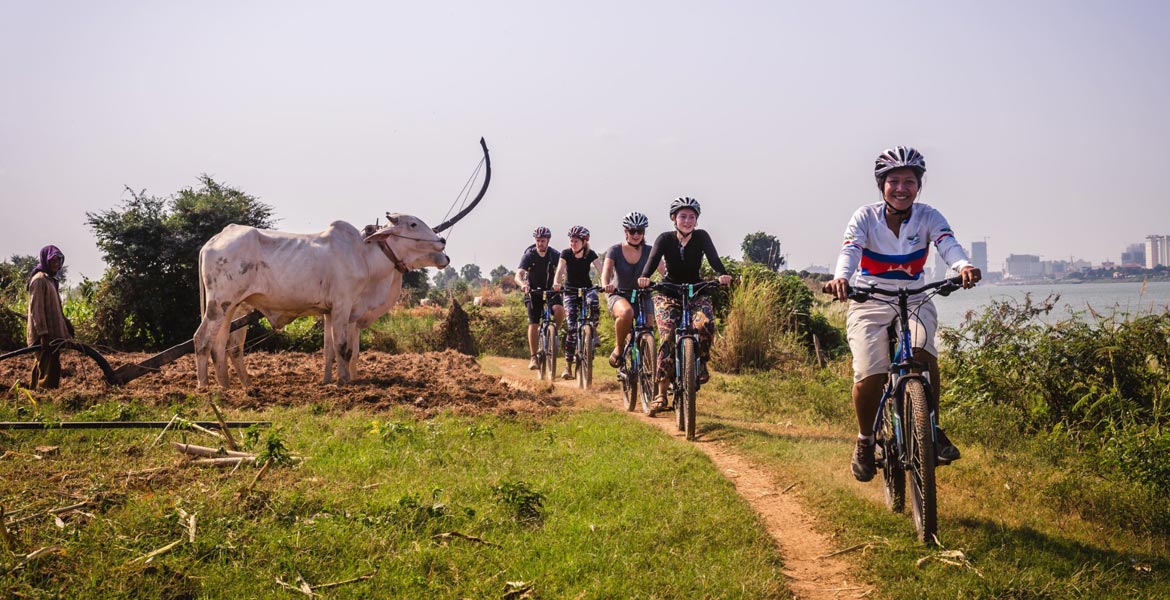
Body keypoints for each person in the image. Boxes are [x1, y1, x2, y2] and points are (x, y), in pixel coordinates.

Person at [824, 146, 981, 483]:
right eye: (893, 181)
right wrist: (842, 278)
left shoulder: (929, 216)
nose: (901, 188)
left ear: (918, 185)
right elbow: (850, 249)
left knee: (924, 353)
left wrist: (963, 265)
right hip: (870, 298)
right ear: (881, 185)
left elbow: (947, 242)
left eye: (909, 181)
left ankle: (933, 428)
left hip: (915, 296)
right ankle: (866, 441)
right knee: (870, 373)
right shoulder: (864, 217)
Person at [637, 197, 732, 415]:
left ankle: (701, 362)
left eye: (692, 217)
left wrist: (722, 274)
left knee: (706, 324)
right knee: (668, 335)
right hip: (668, 293)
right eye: (683, 216)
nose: (687, 221)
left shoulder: (701, 237)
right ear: (674, 219)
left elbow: (714, 259)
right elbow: (651, 262)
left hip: (696, 291)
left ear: (697, 220)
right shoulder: (664, 239)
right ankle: (661, 393)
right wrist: (643, 277)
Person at [601, 212, 659, 367]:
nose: (636, 234)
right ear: (625, 231)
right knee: (627, 313)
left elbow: (664, 270)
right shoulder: (615, 250)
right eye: (632, 231)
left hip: (643, 295)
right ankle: (619, 348)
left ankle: (648, 370)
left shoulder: (650, 251)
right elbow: (606, 272)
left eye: (639, 231)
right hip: (619, 294)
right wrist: (606, 284)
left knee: (648, 327)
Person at [552, 225, 602, 380]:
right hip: (570, 290)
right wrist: (556, 282)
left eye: (575, 241)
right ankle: (568, 366)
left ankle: (593, 330)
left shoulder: (590, 254)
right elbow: (560, 270)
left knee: (593, 302)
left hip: (587, 288)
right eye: (571, 241)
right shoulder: (566, 253)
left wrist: (606, 282)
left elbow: (601, 269)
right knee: (572, 327)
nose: (572, 244)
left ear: (584, 242)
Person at [516, 226, 565, 370]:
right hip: (533, 292)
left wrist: (563, 283)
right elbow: (518, 274)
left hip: (551, 290)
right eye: (537, 240)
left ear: (548, 240)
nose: (540, 243)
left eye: (542, 240)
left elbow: (564, 270)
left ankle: (553, 335)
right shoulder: (529, 255)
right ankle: (533, 357)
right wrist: (523, 284)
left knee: (559, 310)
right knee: (534, 322)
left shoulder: (554, 255)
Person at [26, 245, 73, 389]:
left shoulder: (50, 280)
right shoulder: (39, 280)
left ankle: (34, 394)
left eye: (58, 261)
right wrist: (43, 334)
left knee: (43, 365)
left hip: (52, 335)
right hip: (45, 336)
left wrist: (66, 325)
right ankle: (46, 399)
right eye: (53, 260)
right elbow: (37, 310)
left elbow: (55, 308)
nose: (56, 264)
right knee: (50, 368)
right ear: (46, 260)